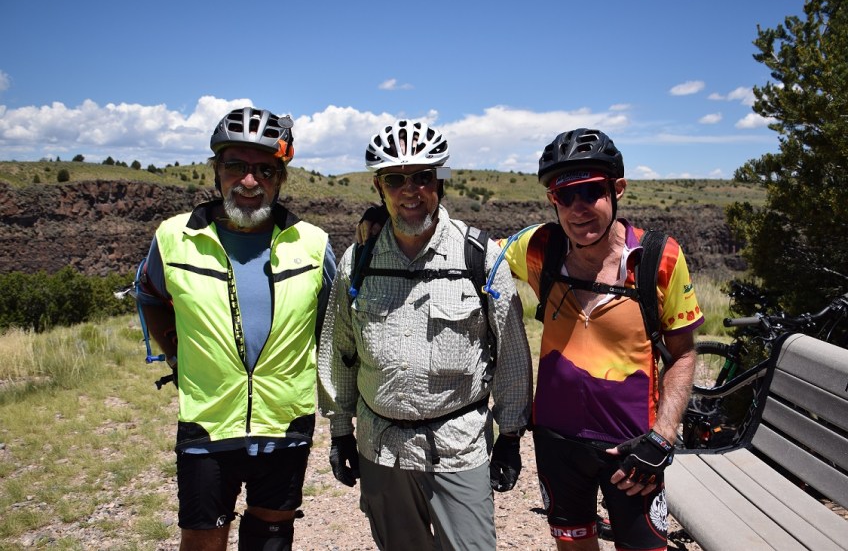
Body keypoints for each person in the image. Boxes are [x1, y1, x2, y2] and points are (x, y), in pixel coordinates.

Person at [357, 128, 704, 551]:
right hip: (558, 443)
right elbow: (465, 252)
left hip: (632, 446)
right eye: (564, 196)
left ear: (618, 189)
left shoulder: (658, 258)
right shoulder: (541, 246)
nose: (578, 209)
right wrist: (386, 218)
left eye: (591, 192)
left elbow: (683, 356)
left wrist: (663, 435)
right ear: (551, 201)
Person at [317, 120, 533, 550]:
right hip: (382, 450)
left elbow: (511, 357)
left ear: (440, 182)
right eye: (396, 179)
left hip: (458, 449)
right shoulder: (358, 259)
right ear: (379, 187)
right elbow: (340, 350)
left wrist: (510, 437)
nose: (410, 190)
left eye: (423, 177)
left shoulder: (479, 257)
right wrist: (340, 430)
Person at [136, 107, 336, 551]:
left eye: (265, 169)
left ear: (281, 177)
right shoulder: (173, 238)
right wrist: (174, 354)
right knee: (203, 540)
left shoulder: (314, 243)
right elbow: (149, 295)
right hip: (208, 421)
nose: (250, 181)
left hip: (285, 421)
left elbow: (332, 324)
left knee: (272, 537)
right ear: (216, 172)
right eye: (236, 167)